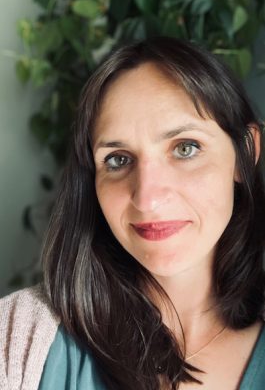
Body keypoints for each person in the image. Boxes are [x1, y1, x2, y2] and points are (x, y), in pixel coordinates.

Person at [1, 37, 265, 390]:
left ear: (245, 152)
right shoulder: (16, 337)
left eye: (185, 148)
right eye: (118, 159)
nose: (148, 197)